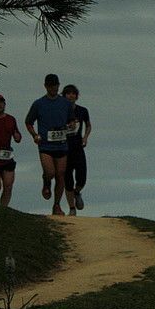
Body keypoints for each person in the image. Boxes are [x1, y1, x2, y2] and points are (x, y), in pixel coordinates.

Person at [24, 73, 75, 215]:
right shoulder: (38, 104)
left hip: (62, 144)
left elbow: (71, 119)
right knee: (51, 172)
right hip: (45, 145)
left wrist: (71, 125)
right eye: (50, 85)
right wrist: (35, 135)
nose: (53, 88)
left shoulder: (65, 103)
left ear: (59, 85)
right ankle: (46, 181)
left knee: (61, 174)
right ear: (45, 86)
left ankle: (57, 205)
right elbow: (28, 122)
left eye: (55, 85)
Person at [62, 84, 91, 215]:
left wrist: (85, 137)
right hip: (64, 148)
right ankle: (72, 208)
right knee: (67, 179)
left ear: (77, 96)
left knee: (82, 177)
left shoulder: (82, 110)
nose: (71, 96)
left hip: (78, 147)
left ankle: (77, 191)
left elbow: (88, 125)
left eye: (73, 93)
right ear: (64, 96)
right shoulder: (59, 110)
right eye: (68, 93)